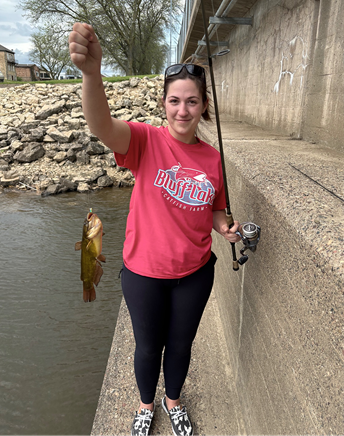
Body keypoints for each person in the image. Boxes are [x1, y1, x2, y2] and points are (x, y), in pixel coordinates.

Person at [69, 23, 240, 436]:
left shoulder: (214, 159)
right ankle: (147, 406)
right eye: (175, 101)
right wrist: (92, 75)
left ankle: (173, 401)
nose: (183, 111)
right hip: (144, 274)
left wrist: (226, 227)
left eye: (192, 102)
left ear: (203, 107)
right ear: (164, 103)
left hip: (196, 273)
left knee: (181, 347)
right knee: (148, 348)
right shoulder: (144, 141)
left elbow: (215, 208)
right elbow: (102, 126)